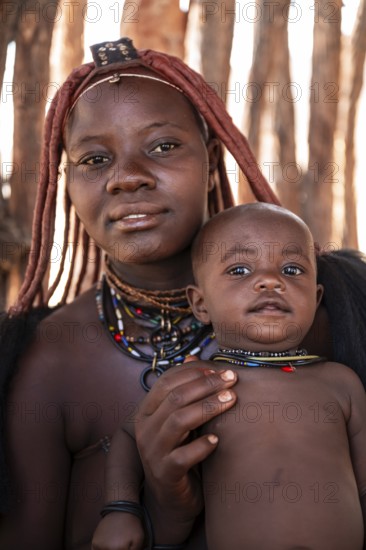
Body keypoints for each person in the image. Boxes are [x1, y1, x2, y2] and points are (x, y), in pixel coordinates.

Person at [0, 37, 279, 549]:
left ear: (211, 160)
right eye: (95, 159)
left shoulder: (311, 315)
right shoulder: (47, 360)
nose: (126, 178)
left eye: (164, 146)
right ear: (68, 185)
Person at [92, 203, 366, 550]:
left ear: (316, 296)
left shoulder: (341, 383)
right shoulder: (197, 382)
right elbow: (129, 438)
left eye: (292, 269)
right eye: (239, 269)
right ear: (201, 303)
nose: (270, 280)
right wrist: (120, 509)